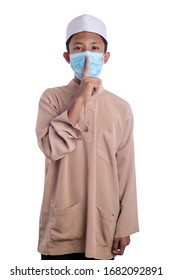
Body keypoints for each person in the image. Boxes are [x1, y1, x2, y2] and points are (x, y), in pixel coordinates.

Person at [35, 14, 139, 260]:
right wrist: (80, 98)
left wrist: (125, 226)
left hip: (105, 223)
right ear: (67, 57)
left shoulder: (120, 107)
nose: (87, 54)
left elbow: (126, 170)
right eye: (78, 49)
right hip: (61, 225)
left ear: (105, 57)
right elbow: (52, 148)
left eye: (94, 48)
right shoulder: (52, 98)